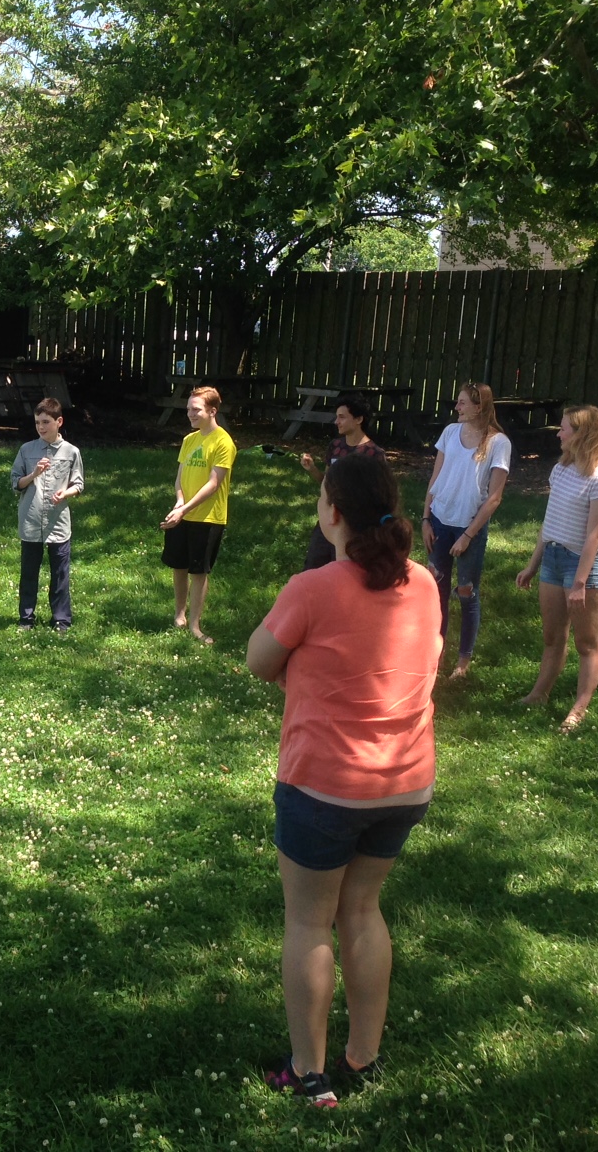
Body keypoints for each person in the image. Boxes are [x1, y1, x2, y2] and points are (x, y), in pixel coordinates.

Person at [246, 456, 440, 1107]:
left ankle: (309, 1074)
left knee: (309, 921)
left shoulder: (313, 587)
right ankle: (363, 1056)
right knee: (362, 908)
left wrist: (300, 673)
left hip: (325, 786)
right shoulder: (425, 583)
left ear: (333, 510)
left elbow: (258, 659)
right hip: (405, 783)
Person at [515, 405, 598, 732]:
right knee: (551, 636)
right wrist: (533, 563)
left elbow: (593, 535)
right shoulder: (560, 470)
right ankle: (539, 694)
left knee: (587, 642)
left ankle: (579, 707)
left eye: (564, 429)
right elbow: (550, 521)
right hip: (554, 559)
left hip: (581, 565)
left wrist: (580, 583)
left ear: (582, 434)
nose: (558, 434)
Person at [420, 383, 511, 678]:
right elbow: (435, 478)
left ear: (479, 407)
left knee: (466, 592)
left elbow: (495, 497)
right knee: (436, 591)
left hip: (469, 526)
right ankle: (437, 654)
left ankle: (463, 661)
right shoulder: (449, 433)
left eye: (462, 403)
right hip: (439, 522)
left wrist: (469, 534)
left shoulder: (499, 443)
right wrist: (425, 520)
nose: (457, 408)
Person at [162, 386, 236, 645]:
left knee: (198, 572)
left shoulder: (223, 442)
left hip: (208, 517)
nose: (190, 415)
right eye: (188, 410)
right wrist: (179, 503)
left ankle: (195, 625)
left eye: (196, 410)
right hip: (183, 513)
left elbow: (214, 484)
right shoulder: (189, 441)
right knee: (179, 566)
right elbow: (179, 479)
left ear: (212, 411)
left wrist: (184, 509)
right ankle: (179, 616)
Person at [10, 397, 85, 632]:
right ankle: (26, 618)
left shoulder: (71, 452)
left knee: (60, 574)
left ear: (59, 421)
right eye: (37, 423)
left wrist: (66, 493)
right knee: (29, 573)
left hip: (58, 523)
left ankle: (61, 619)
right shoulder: (26, 450)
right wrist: (34, 474)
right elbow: (16, 484)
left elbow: (79, 484)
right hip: (31, 521)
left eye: (46, 422)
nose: (41, 427)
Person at [299, 394, 385, 571]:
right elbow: (327, 482)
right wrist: (312, 469)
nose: (336, 421)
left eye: (342, 417)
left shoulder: (374, 454)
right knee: (314, 567)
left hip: (354, 525)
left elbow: (379, 495)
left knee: (344, 570)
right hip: (329, 518)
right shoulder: (336, 446)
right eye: (337, 416)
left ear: (359, 419)